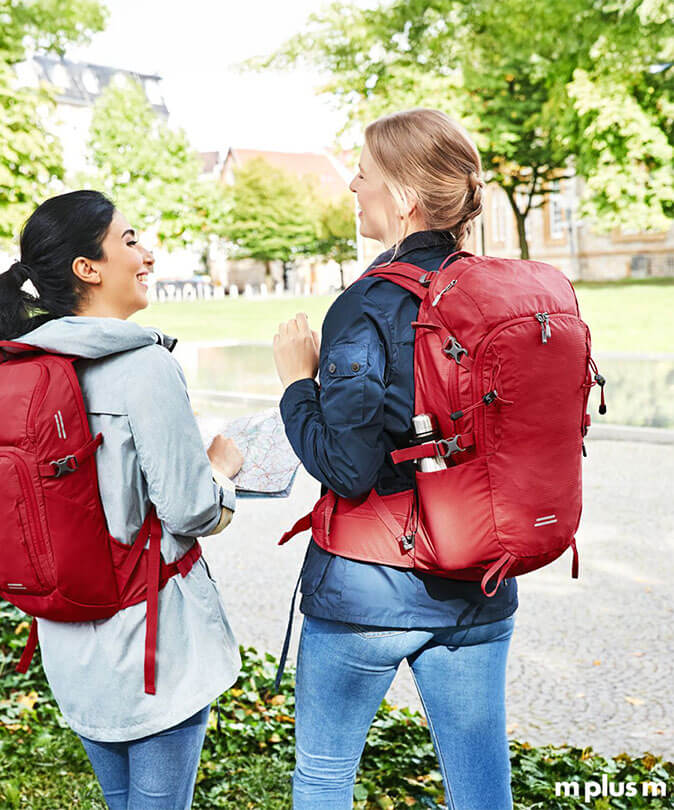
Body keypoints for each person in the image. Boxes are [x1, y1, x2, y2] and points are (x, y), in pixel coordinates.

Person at [273, 109, 519, 810]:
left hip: (369, 589)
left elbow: (346, 467)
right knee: (479, 785)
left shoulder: (368, 303)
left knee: (324, 778)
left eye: (365, 173)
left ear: (405, 197)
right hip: (481, 578)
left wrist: (297, 382)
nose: (352, 184)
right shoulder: (500, 290)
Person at [0, 190, 244, 810]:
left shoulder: (19, 364)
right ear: (86, 268)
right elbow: (191, 510)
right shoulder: (142, 364)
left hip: (71, 643)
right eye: (129, 240)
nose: (146, 254)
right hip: (152, 652)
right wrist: (222, 471)